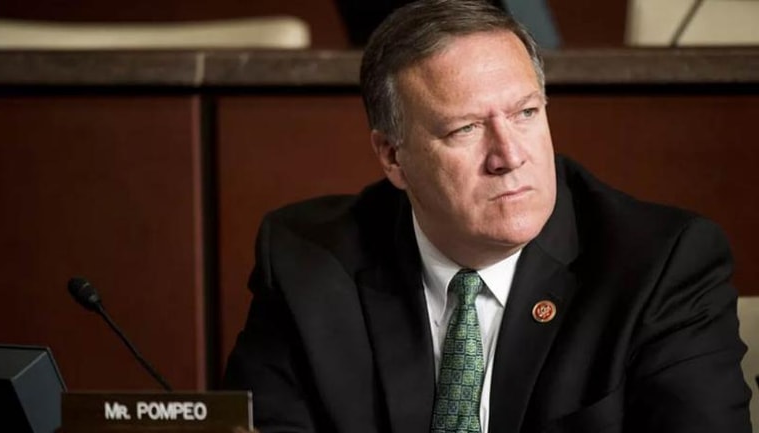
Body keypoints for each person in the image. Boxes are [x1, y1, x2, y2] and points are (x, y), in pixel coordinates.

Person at [222, 0, 752, 432]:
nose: (509, 155)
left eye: (526, 113)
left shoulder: (661, 266)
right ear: (392, 157)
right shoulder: (307, 263)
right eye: (466, 129)